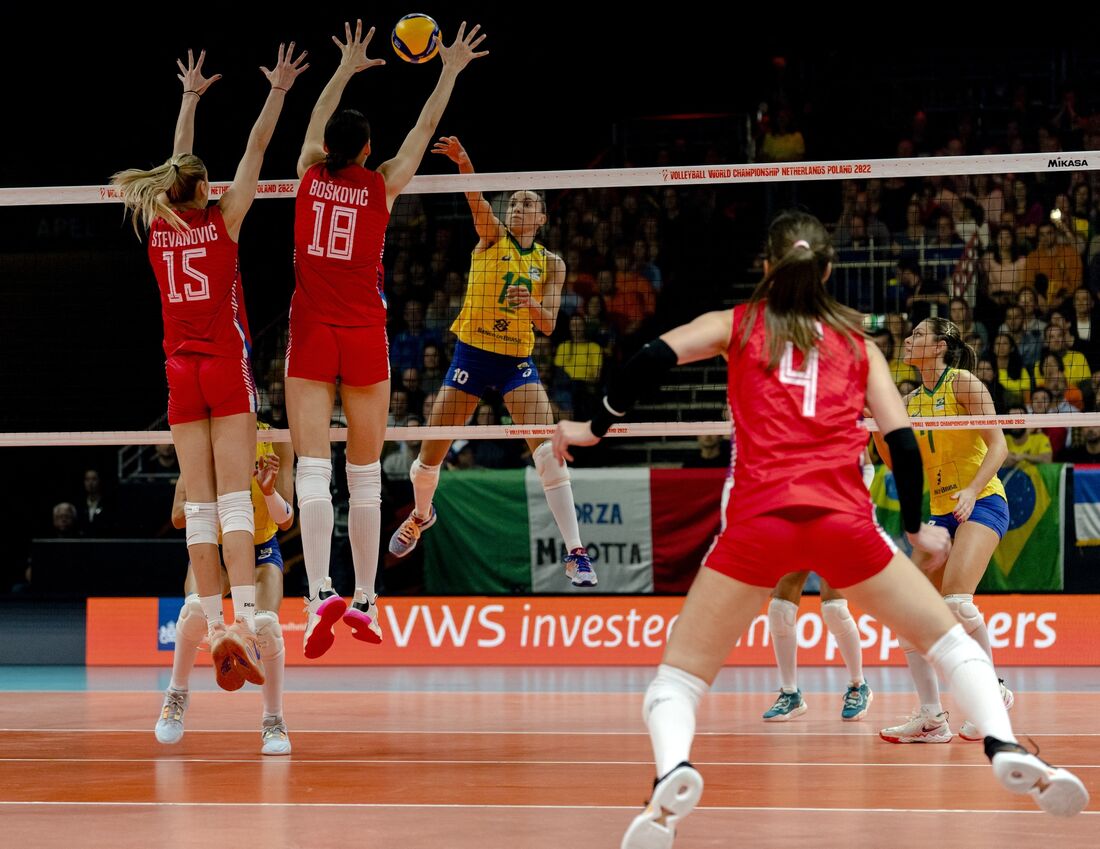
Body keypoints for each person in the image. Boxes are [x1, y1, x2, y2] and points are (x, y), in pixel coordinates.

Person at [552, 211, 1087, 847]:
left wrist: (592, 428)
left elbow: (650, 356)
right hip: (843, 523)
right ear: (829, 272)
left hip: (760, 523)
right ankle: (1002, 743)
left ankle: (671, 780)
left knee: (677, 679)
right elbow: (904, 445)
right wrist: (917, 527)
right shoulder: (859, 346)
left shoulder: (737, 324)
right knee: (951, 640)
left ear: (768, 267)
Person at [286, 21, 487, 658]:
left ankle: (320, 593)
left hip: (312, 331)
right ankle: (367, 599)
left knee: (314, 470)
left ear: (328, 148)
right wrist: (449, 69)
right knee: (366, 475)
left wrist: (343, 66)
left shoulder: (309, 176)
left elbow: (318, 121)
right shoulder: (381, 186)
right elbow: (422, 133)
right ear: (369, 150)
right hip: (366, 334)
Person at [111, 45, 306, 689]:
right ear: (205, 190)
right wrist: (277, 91)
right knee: (233, 505)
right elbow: (257, 148)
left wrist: (189, 102)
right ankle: (245, 622)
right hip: (225, 370)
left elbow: (175, 164)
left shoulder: (160, 223)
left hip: (178, 374)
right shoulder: (223, 221)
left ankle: (213, 621)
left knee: (198, 507)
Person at [388, 136, 596, 588]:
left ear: (542, 218)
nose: (519, 208)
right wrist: (465, 163)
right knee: (428, 460)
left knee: (549, 452)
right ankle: (422, 516)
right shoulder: (491, 237)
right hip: (472, 355)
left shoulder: (551, 264)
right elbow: (476, 198)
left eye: (528, 204)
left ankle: (576, 551)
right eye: (514, 203)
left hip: (516, 363)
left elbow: (548, 325)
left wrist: (530, 305)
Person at [873, 317, 1013, 744]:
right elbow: (897, 464)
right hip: (940, 512)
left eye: (918, 334)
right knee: (908, 611)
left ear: (940, 346)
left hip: (983, 500)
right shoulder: (909, 402)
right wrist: (876, 422)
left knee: (955, 599)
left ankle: (993, 691)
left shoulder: (964, 383)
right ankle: (932, 717)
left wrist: (971, 490)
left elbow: (1000, 445)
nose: (909, 340)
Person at [155, 425, 295, 754]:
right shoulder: (201, 442)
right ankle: (176, 695)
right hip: (214, 552)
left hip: (261, 550)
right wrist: (220, 486)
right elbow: (177, 516)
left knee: (267, 628)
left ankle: (273, 721)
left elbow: (287, 520)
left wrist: (268, 490)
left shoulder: (276, 442)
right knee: (194, 613)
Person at [760, 450, 875, 722]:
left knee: (834, 608)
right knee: (779, 608)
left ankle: (859, 685)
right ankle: (790, 694)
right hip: (799, 516)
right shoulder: (788, 422)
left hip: (840, 513)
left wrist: (857, 499)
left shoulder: (844, 414)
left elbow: (867, 466)